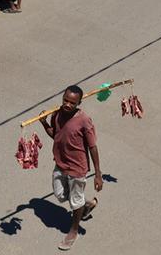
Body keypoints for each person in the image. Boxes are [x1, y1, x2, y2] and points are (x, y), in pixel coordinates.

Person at [39, 85, 103, 251]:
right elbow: (56, 135)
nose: (67, 104)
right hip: (60, 164)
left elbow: (93, 147)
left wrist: (98, 174)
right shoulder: (58, 114)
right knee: (60, 194)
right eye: (65, 100)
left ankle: (74, 230)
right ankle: (84, 206)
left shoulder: (84, 121)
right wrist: (44, 123)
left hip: (77, 168)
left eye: (72, 102)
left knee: (75, 201)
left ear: (79, 103)